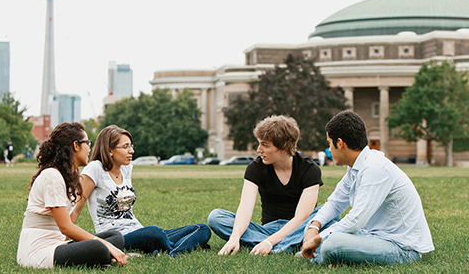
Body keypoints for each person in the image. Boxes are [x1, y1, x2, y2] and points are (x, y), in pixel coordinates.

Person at [301, 111, 434, 265]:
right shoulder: (356, 167)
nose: (329, 149)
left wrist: (318, 239)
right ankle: (320, 250)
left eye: (329, 143)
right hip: (370, 236)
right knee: (318, 221)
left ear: (340, 143)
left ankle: (319, 253)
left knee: (332, 243)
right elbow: (335, 203)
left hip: (401, 248)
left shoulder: (374, 168)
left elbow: (356, 220)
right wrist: (314, 227)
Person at [72, 125, 211, 257]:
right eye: (125, 147)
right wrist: (64, 237)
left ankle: (168, 251)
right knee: (155, 233)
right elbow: (77, 206)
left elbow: (129, 208)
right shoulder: (95, 169)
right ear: (110, 150)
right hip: (116, 238)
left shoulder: (126, 168)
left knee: (202, 229)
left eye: (131, 146)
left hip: (138, 231)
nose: (131, 151)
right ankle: (182, 247)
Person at [208, 115, 337, 255]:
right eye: (259, 143)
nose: (259, 150)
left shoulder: (309, 169)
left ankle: (275, 246)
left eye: (265, 145)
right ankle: (292, 245)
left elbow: (302, 217)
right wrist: (234, 237)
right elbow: (245, 207)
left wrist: (268, 242)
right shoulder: (255, 168)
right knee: (216, 217)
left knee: (330, 212)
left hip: (299, 228)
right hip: (267, 230)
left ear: (284, 147)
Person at [17, 122, 127, 269]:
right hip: (39, 250)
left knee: (115, 237)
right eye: (87, 143)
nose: (90, 148)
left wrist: (106, 243)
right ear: (76, 145)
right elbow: (65, 227)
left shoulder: (67, 176)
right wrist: (103, 245)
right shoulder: (52, 176)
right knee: (99, 247)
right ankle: (105, 255)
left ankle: (105, 255)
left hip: (59, 243)